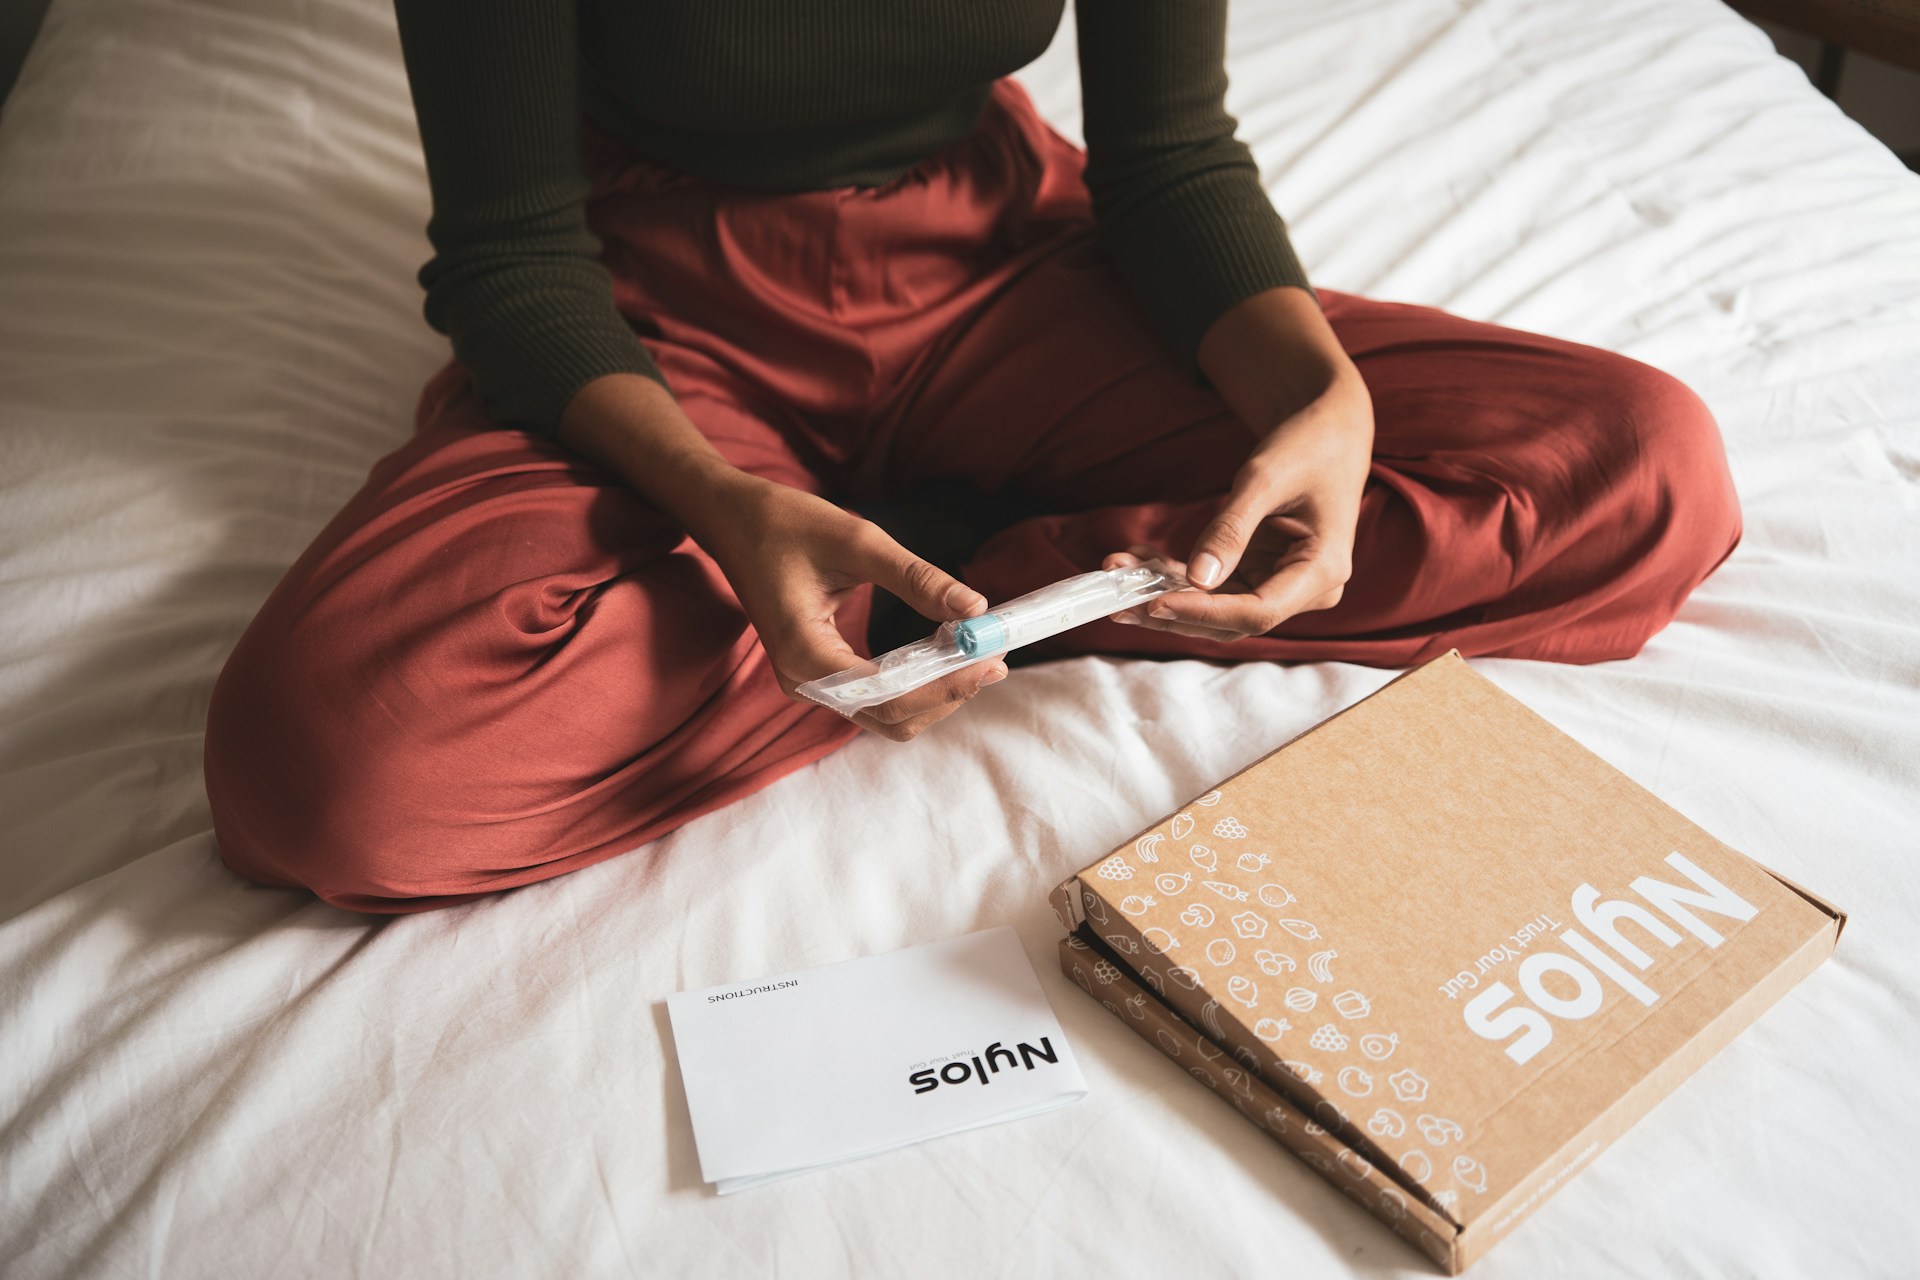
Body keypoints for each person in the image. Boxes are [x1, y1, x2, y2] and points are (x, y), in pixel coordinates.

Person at [202, 0, 1742, 913]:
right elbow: (509, 255)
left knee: (1640, 464)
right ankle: (857, 575)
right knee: (334, 778)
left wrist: (1323, 398)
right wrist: (726, 506)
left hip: (1003, 258)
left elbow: (1169, 156)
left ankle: (973, 584)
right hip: (653, 315)